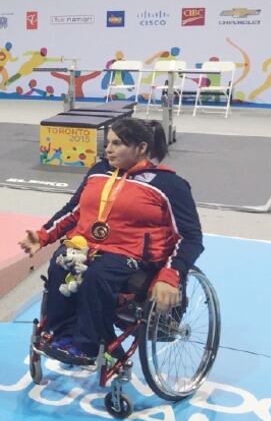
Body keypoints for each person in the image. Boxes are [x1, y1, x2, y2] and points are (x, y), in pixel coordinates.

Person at [18, 118, 203, 365]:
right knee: (60, 265)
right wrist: (43, 235)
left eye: (117, 144)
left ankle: (90, 346)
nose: (108, 149)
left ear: (141, 148)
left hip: (131, 255)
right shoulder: (98, 172)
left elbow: (190, 237)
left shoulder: (168, 185)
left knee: (97, 276)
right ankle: (63, 336)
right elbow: (74, 211)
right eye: (108, 143)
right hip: (86, 246)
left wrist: (170, 275)